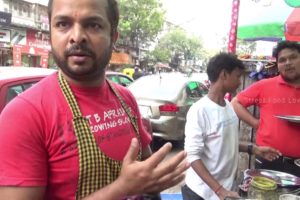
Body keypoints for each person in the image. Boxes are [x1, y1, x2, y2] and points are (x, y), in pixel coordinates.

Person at [0, 0, 189, 199]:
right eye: (63, 24)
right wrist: (121, 188)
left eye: (93, 25)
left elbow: (146, 171)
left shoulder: (125, 98)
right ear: (50, 34)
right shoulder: (23, 115)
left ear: (113, 37)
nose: (77, 37)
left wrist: (154, 181)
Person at [182, 53, 281, 200]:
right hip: (201, 193)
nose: (239, 81)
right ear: (224, 74)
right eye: (237, 76)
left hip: (225, 190)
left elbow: (226, 142)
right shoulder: (199, 110)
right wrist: (219, 190)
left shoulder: (228, 107)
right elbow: (192, 156)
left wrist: (254, 149)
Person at [231, 41, 300, 176]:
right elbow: (235, 103)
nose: (287, 63)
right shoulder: (264, 86)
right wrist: (257, 124)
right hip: (270, 159)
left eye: (293, 57)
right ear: (278, 65)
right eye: (282, 60)